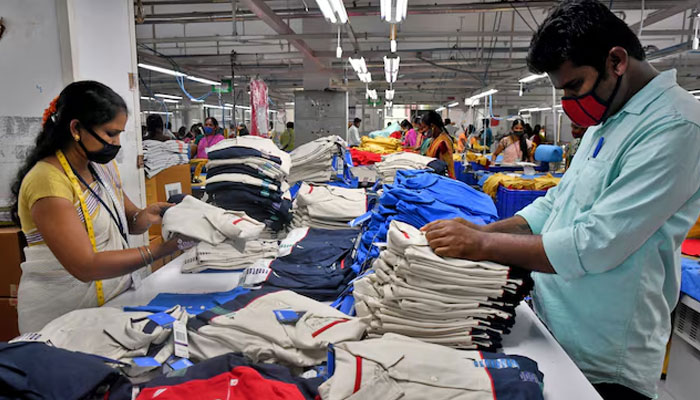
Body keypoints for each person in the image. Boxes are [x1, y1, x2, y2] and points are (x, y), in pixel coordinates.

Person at [421, 1, 700, 399]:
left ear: (616, 60)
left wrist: (483, 244)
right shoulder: (609, 122)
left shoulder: (675, 125)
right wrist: (484, 230)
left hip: (605, 355)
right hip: (554, 328)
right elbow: (555, 204)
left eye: (574, 86)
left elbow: (598, 241)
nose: (568, 101)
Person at [10, 81, 189, 333]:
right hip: (60, 317)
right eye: (110, 133)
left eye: (119, 134)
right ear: (76, 128)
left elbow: (128, 221)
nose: (116, 143)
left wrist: (148, 214)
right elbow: (84, 266)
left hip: (111, 300)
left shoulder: (102, 168)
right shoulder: (47, 181)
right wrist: (159, 250)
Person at [423, 110, 455, 179]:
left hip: (442, 179)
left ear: (432, 126)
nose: (423, 131)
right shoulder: (434, 139)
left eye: (425, 127)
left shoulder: (442, 142)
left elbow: (442, 168)